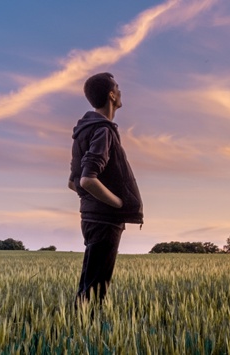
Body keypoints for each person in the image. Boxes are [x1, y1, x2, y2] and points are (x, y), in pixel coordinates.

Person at [68, 72, 143, 306]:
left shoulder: (83, 131)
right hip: (105, 219)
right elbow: (86, 180)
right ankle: (85, 336)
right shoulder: (103, 130)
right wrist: (118, 204)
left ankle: (79, 331)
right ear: (111, 95)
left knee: (89, 285)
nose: (121, 92)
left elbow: (73, 181)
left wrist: (92, 203)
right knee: (96, 291)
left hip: (90, 217)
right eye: (118, 88)